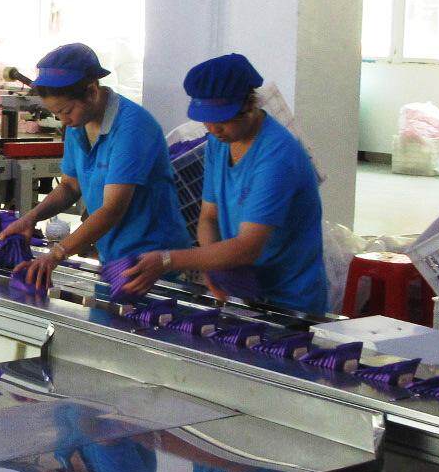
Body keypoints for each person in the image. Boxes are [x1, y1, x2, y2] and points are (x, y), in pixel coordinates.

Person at [118, 53, 329, 314]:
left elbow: (247, 248)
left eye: (222, 120)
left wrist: (167, 259)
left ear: (249, 105)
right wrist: (214, 267)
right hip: (245, 294)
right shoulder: (219, 144)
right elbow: (209, 217)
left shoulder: (277, 156)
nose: (213, 129)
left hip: (290, 301)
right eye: (207, 119)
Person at [0, 42, 189, 290]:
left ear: (91, 91)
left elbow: (112, 209)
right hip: (112, 257)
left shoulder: (132, 128)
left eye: (66, 111)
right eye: (57, 114)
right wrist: (31, 218)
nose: (63, 120)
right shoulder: (78, 124)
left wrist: (56, 254)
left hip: (152, 261)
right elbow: (69, 186)